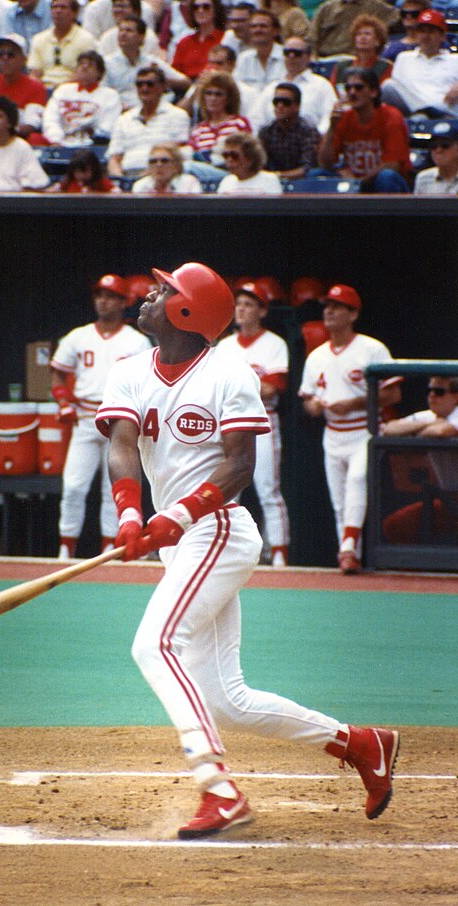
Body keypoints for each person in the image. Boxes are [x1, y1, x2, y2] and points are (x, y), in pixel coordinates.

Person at [95, 262, 400, 839]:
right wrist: (132, 513)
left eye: (164, 292)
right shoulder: (131, 368)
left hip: (217, 532)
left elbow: (240, 465)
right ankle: (362, 744)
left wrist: (177, 515)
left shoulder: (228, 373)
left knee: (155, 644)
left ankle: (219, 788)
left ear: (186, 312)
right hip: (178, 540)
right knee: (226, 700)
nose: (148, 295)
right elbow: (123, 444)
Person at [298, 283, 402, 575]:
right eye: (327, 307)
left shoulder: (371, 348)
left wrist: (354, 403)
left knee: (357, 480)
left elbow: (393, 395)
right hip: (333, 432)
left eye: (337, 307)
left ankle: (345, 549)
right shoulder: (316, 355)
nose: (329, 312)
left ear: (353, 313)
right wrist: (315, 406)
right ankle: (349, 557)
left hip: (364, 429)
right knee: (339, 501)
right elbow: (306, 401)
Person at [50, 273, 152, 559]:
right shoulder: (78, 335)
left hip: (119, 421)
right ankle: (65, 549)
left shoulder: (137, 341)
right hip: (84, 416)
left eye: (110, 296)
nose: (103, 301)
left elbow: (146, 382)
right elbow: (57, 370)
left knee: (112, 491)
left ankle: (109, 546)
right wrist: (62, 401)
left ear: (123, 302)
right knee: (72, 486)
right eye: (99, 296)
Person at [215, 280, 290, 566]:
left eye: (249, 304)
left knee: (268, 491)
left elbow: (272, 389)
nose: (241, 309)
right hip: (230, 424)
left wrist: (234, 387)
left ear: (262, 310)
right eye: (239, 303)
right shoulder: (224, 346)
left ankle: (280, 556)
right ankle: (229, 552)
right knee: (229, 492)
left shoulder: (274, 344)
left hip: (263, 422)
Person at [381, 376, 458, 544]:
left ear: (455, 396)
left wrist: (417, 432)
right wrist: (424, 425)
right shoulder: (429, 417)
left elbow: (443, 431)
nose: (431, 396)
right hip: (449, 499)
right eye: (429, 390)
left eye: (439, 392)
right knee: (396, 526)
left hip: (451, 499)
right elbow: (389, 428)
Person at [317, 67, 411, 193]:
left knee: (386, 177)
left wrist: (357, 183)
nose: (352, 92)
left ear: (374, 92)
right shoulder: (343, 118)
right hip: (355, 182)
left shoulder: (391, 117)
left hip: (385, 183)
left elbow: (393, 165)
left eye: (358, 87)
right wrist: (332, 128)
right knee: (317, 174)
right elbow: (325, 163)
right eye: (348, 88)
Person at [106, 63, 190, 175]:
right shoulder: (124, 119)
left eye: (150, 84)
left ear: (163, 86)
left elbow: (176, 153)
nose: (144, 88)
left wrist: (147, 175)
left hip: (162, 175)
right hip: (127, 177)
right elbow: (114, 159)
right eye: (139, 84)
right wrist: (121, 181)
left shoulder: (178, 115)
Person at [381, 10, 458, 119]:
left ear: (442, 36)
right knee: (388, 85)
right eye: (422, 31)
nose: (425, 36)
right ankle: (425, 111)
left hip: (446, 115)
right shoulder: (404, 57)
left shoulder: (455, 59)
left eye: (430, 32)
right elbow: (398, 92)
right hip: (412, 112)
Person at [103, 16, 190, 111]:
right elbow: (104, 94)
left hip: (157, 111)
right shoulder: (107, 63)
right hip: (123, 113)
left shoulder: (151, 61)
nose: (123, 34)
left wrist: (160, 79)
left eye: (129, 31)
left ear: (141, 37)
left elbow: (186, 82)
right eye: (121, 30)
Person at [253, 37, 337, 135]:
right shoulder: (271, 87)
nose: (291, 56)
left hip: (310, 142)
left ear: (308, 56)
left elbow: (329, 118)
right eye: (287, 53)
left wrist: (316, 137)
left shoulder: (322, 85)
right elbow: (256, 119)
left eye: (297, 53)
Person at [41, 50, 122, 146]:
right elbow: (50, 118)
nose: (85, 67)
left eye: (91, 65)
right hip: (60, 143)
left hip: (93, 146)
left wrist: (94, 142)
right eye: (81, 64)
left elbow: (107, 125)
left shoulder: (110, 95)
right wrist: (55, 139)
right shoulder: (63, 90)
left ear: (100, 73)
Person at [27, 0, 97, 89]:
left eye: (63, 7)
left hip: (73, 89)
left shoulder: (86, 39)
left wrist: (59, 88)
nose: (58, 11)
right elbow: (34, 73)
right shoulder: (39, 39)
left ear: (74, 13)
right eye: (54, 7)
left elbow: (84, 73)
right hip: (43, 89)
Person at [258, 81, 320, 179]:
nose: (280, 106)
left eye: (286, 102)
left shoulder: (308, 130)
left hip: (303, 183)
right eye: (276, 102)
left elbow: (307, 168)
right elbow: (260, 164)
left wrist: (278, 176)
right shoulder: (267, 131)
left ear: (297, 106)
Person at [187, 70, 251, 153]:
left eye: (218, 94)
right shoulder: (199, 129)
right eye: (208, 93)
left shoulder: (239, 123)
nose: (213, 98)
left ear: (228, 98)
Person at [310, 0, 399, 59]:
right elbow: (312, 37)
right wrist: (313, 56)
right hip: (326, 58)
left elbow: (401, 17)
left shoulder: (377, 7)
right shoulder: (326, 8)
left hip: (357, 58)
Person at [329, 14, 393, 95]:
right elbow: (332, 93)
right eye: (358, 34)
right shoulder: (341, 67)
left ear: (378, 41)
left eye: (367, 34)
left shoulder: (385, 67)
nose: (362, 37)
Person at [171, 0, 226, 81]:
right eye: (195, 7)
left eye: (206, 7)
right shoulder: (185, 42)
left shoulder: (224, 38)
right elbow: (175, 72)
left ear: (215, 11)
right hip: (185, 88)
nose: (200, 10)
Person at [234, 9, 285, 93]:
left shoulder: (286, 56)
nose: (258, 30)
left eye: (263, 26)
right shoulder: (244, 58)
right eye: (254, 26)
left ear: (275, 31)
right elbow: (236, 89)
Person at [216, 130, 282, 192]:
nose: (229, 160)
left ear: (250, 158)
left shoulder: (269, 180)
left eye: (234, 156)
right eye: (225, 155)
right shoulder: (226, 182)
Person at [132, 141, 202, 191]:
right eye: (153, 161)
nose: (158, 165)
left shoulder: (189, 183)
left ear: (176, 165)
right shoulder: (140, 186)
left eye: (164, 161)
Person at [414, 119, 458, 195]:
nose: (438, 150)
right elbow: (417, 206)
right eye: (433, 146)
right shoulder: (423, 178)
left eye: (445, 145)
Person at [46, 146, 119, 191]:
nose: (81, 175)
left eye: (84, 171)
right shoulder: (67, 182)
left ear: (93, 169)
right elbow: (51, 192)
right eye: (77, 172)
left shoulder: (102, 182)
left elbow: (117, 193)